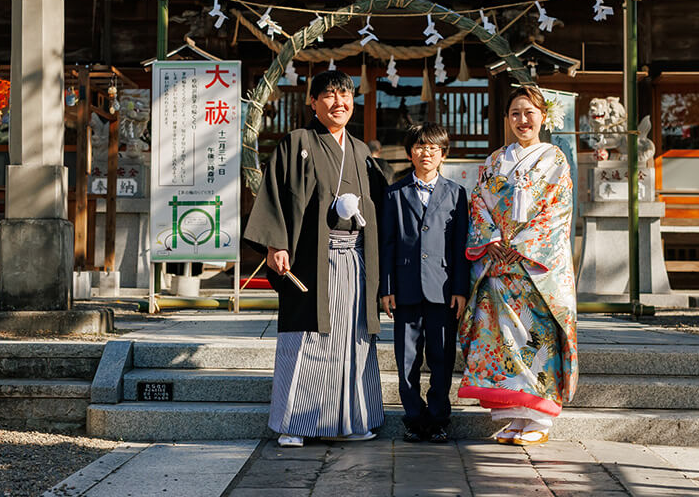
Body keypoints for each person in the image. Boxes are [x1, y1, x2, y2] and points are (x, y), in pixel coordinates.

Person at [243, 69, 388, 448]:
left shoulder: (359, 151)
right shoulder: (298, 142)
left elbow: (381, 206)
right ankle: (294, 422)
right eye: (329, 95)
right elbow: (276, 195)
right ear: (313, 102)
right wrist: (276, 244)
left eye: (345, 95)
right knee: (309, 338)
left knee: (353, 340)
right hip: (311, 261)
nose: (338, 102)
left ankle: (354, 419)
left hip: (354, 260)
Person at [457, 84, 577, 446]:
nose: (522, 120)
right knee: (502, 339)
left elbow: (557, 212)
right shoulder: (495, 160)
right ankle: (513, 416)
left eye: (529, 113)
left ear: (543, 116)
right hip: (498, 264)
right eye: (515, 114)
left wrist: (521, 246)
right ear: (507, 119)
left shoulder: (555, 159)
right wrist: (492, 239)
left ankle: (539, 415)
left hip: (534, 266)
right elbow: (478, 203)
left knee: (535, 337)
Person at [379, 122, 470, 444]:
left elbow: (462, 246)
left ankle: (439, 419)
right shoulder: (394, 193)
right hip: (404, 290)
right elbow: (387, 244)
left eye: (433, 147)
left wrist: (460, 289)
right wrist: (386, 288)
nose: (426, 152)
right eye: (419, 147)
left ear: (443, 154)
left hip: (443, 290)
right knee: (406, 361)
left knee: (442, 359)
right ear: (409, 153)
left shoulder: (457, 194)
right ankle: (414, 419)